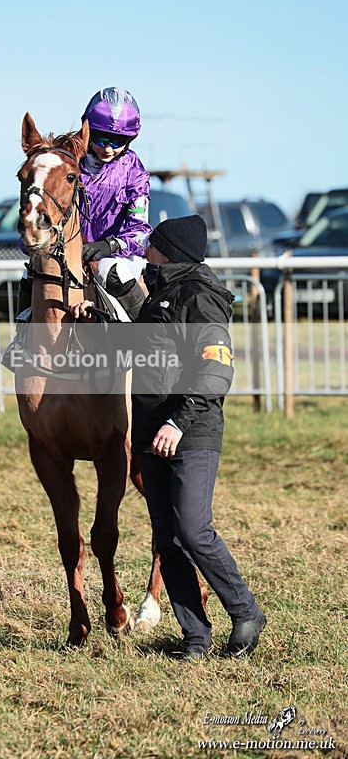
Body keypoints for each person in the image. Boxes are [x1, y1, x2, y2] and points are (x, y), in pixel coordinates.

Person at [130, 215, 266, 660]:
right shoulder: (163, 292)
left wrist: (178, 422)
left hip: (190, 431)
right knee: (167, 539)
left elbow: (215, 369)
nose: (144, 250)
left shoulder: (200, 297)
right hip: (152, 432)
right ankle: (196, 637)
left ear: (169, 252)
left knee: (193, 529)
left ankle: (246, 610)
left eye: (152, 245)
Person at [18, 86, 151, 321]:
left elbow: (141, 231)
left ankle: (148, 337)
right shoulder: (70, 162)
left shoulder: (134, 170)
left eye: (118, 140)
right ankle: (22, 335)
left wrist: (109, 246)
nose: (108, 147)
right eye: (100, 137)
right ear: (87, 131)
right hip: (69, 249)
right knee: (34, 270)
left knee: (111, 271)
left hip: (116, 255)